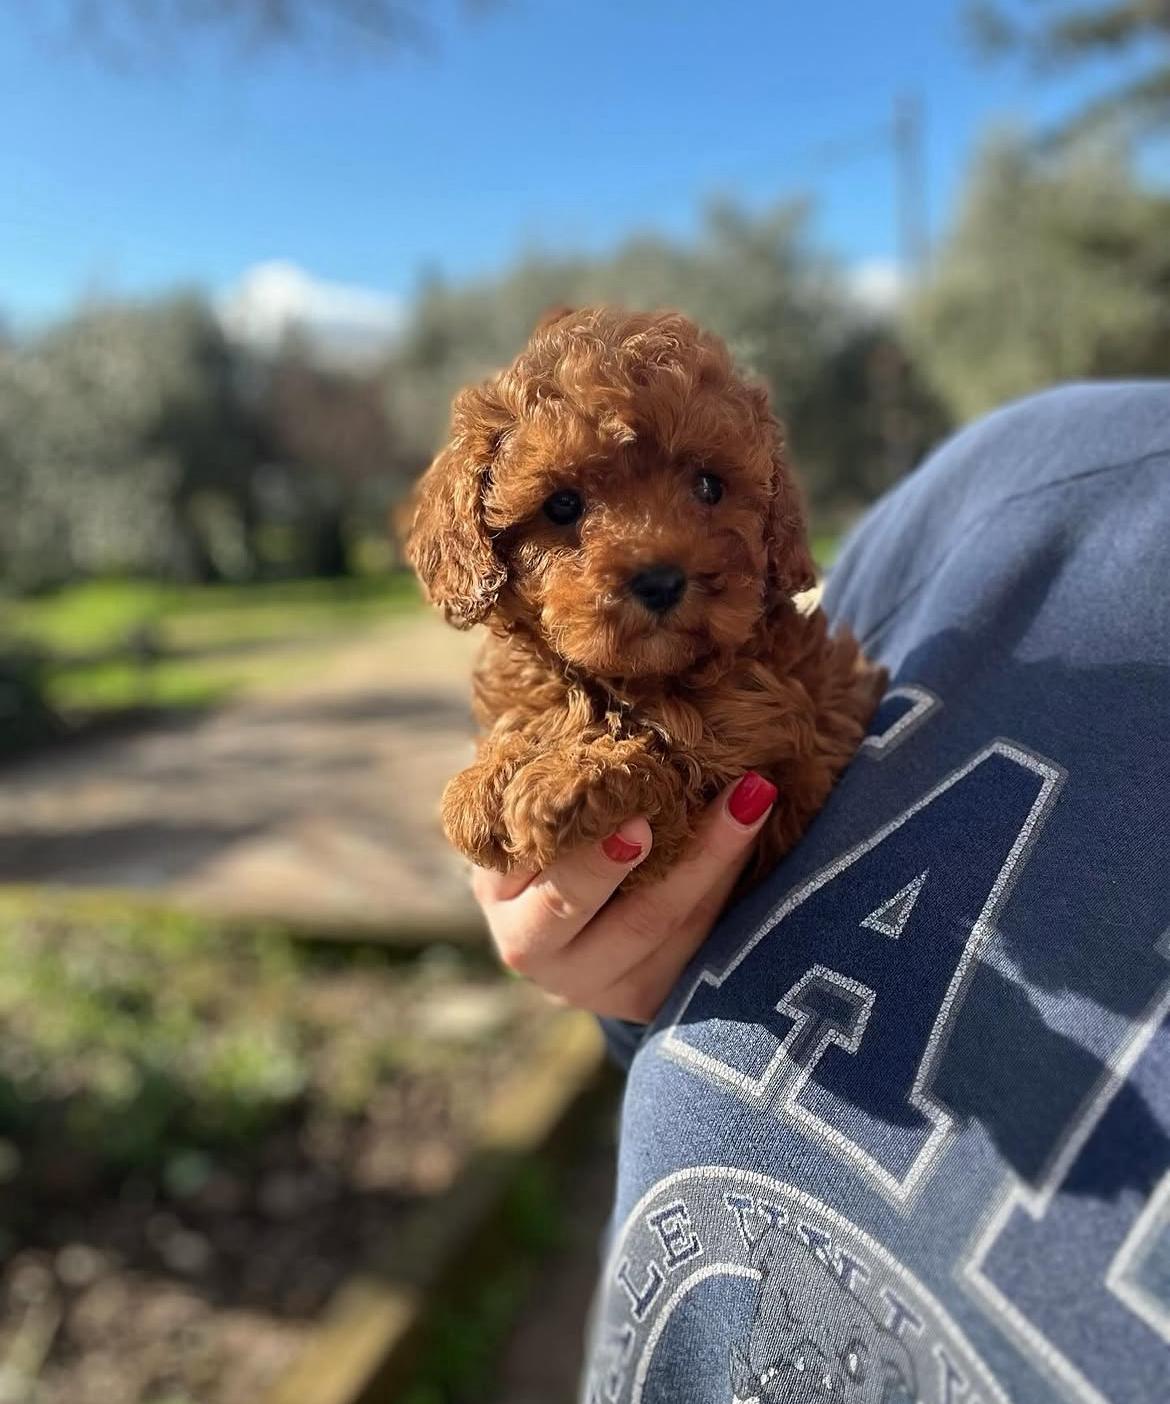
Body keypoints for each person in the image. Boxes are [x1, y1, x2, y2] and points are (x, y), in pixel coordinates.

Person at [474, 383, 1170, 1404]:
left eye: (709, 487)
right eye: (571, 508)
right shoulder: (1011, 484)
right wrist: (630, 975)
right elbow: (702, 1008)